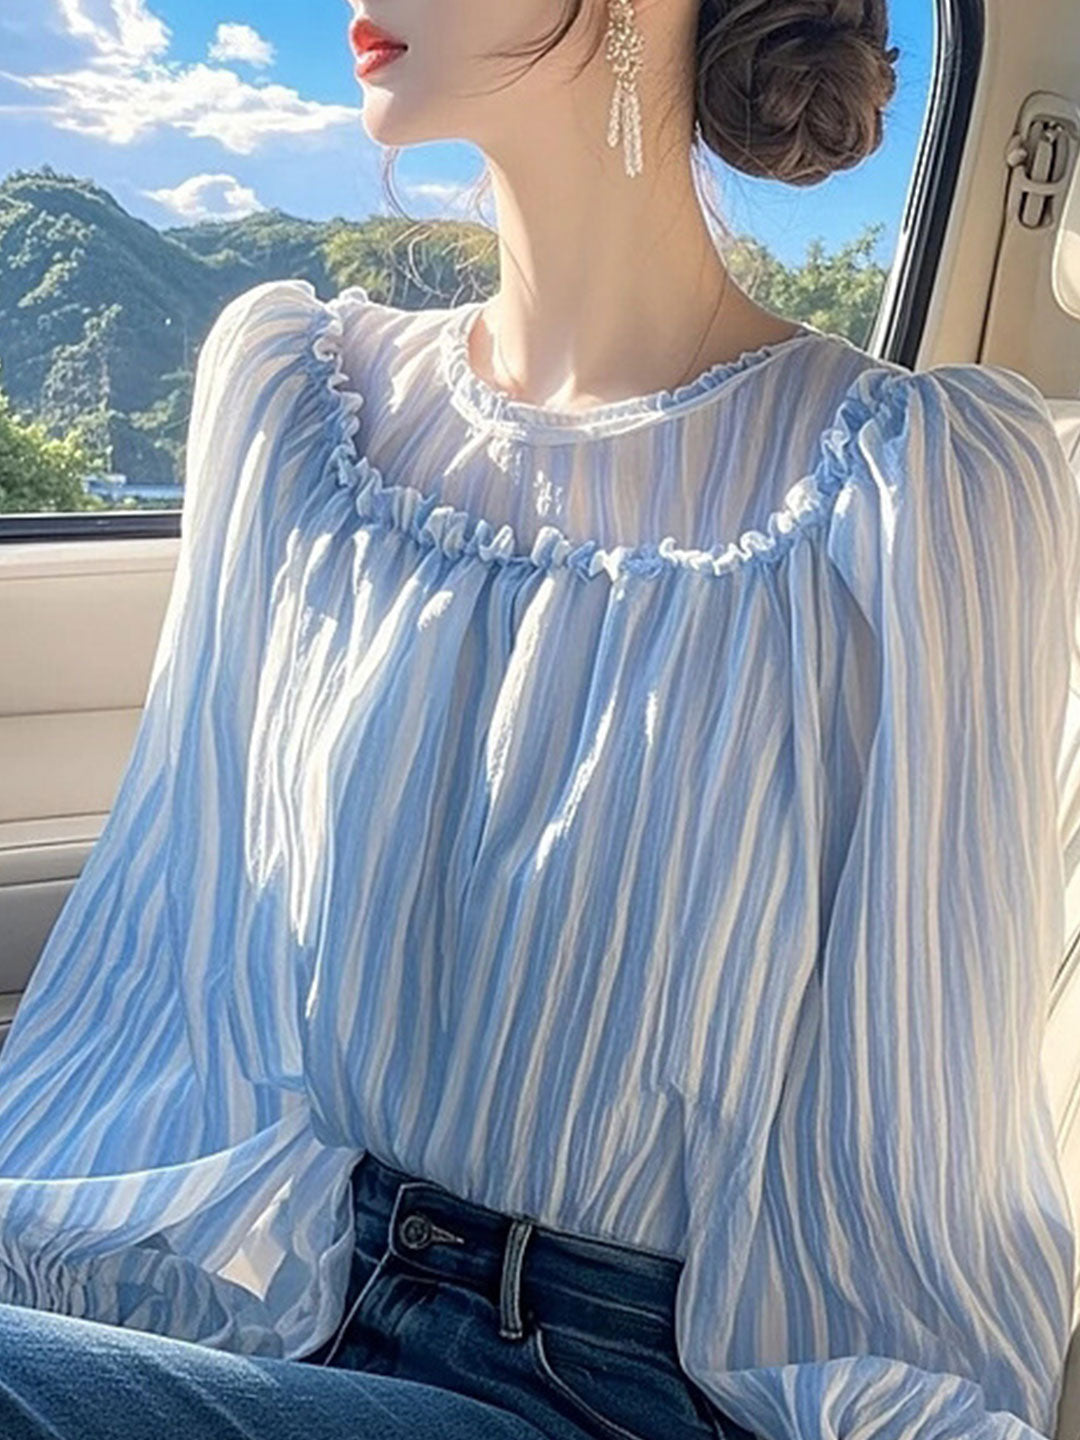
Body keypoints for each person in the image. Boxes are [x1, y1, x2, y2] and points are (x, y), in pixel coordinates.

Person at [0, 1, 1077, 1438]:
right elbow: (177, 958)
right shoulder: (297, 409)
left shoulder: (915, 491)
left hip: (616, 1383)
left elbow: (916, 1115)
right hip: (287, 1299)